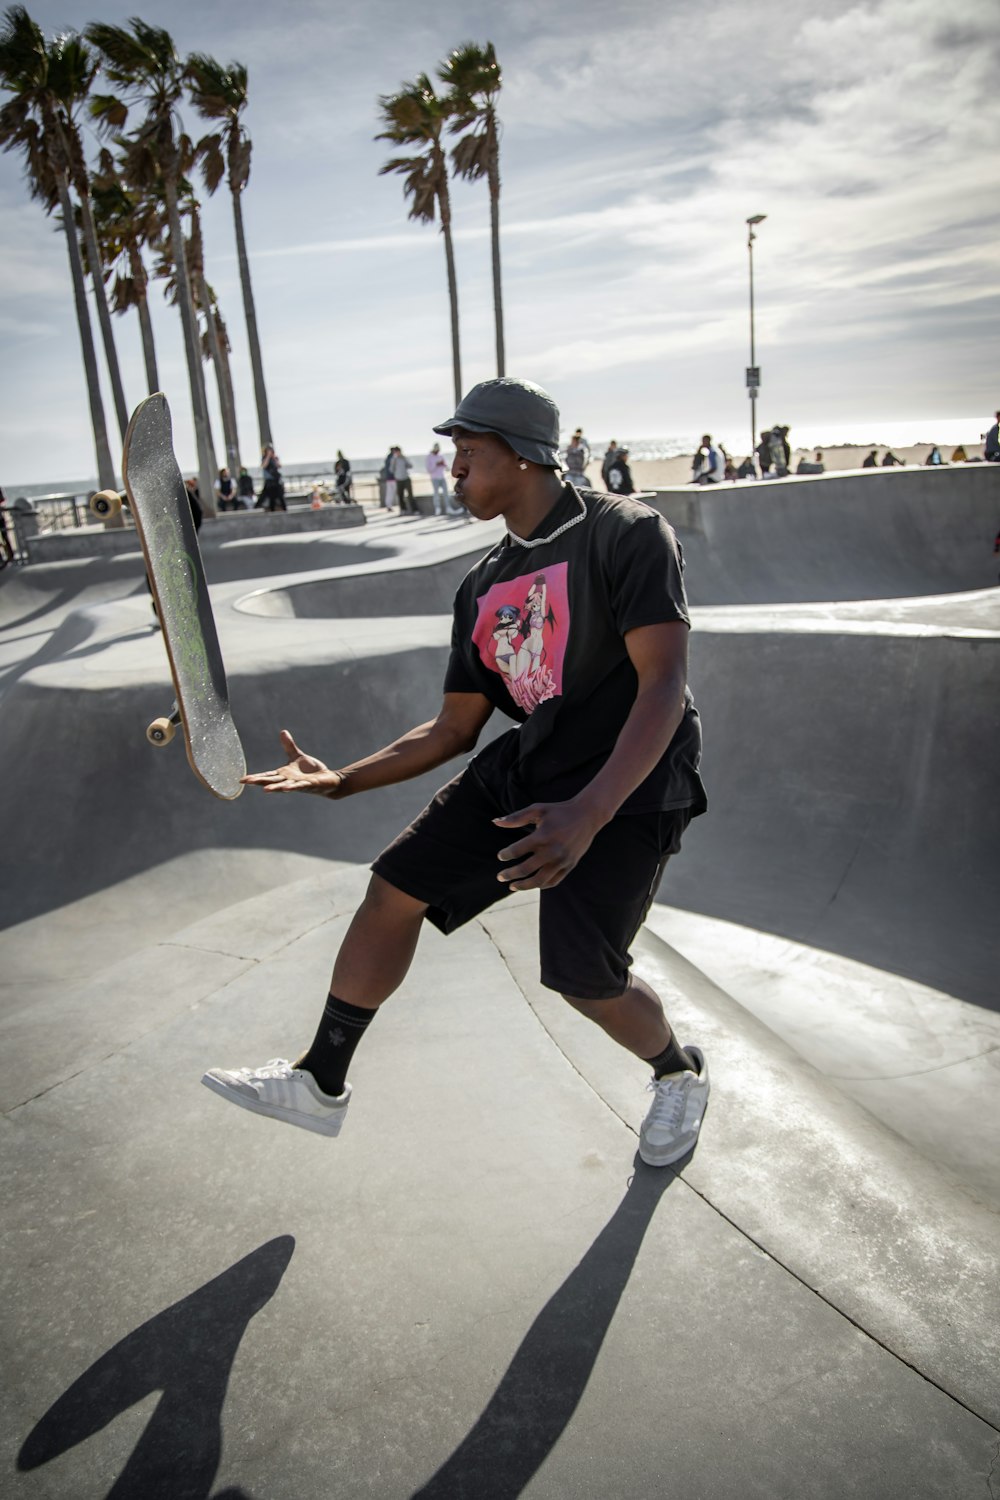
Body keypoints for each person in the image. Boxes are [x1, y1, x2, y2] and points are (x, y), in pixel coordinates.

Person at [202, 376, 710, 1170]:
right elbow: (453, 729)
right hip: (530, 766)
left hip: (632, 782)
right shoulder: (482, 586)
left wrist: (591, 811)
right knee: (393, 888)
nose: (458, 467)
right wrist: (343, 780)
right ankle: (319, 1081)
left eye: (469, 451)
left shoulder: (623, 532)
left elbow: (664, 685)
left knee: (584, 978)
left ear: (525, 456)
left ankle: (677, 1074)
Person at [426, 442, 451, 515]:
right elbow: (429, 470)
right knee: (436, 494)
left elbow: (446, 467)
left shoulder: (441, 455)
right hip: (434, 478)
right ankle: (437, 508)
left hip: (442, 477)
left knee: (446, 493)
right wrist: (436, 464)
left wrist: (444, 465)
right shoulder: (429, 457)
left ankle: (448, 508)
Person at [259, 446, 286, 511]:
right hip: (269, 481)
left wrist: (274, 458)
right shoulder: (264, 458)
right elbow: (264, 466)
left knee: (280, 495)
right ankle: (272, 509)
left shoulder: (275, 458)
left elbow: (279, 466)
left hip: (276, 479)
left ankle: (284, 508)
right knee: (271, 496)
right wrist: (268, 457)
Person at [392, 447, 415, 513]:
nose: (397, 453)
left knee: (410, 495)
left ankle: (414, 509)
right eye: (396, 452)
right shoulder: (394, 459)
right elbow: (391, 469)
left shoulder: (404, 458)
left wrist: (405, 460)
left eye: (398, 451)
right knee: (400, 495)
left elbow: (410, 466)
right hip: (399, 479)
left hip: (406, 478)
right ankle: (403, 509)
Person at [0, 487, 14, 566]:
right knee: (4, 536)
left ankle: (10, 556)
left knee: (5, 536)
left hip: (0, 518)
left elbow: (2, 499)